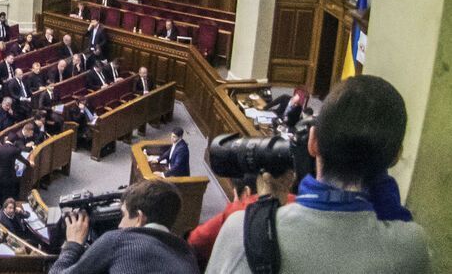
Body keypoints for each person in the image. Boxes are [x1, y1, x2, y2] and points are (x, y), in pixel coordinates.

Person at [206, 75, 430, 274]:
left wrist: (267, 212)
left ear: (313, 142)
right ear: (395, 156)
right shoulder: (410, 247)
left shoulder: (241, 233)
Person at [51, 179, 198, 274]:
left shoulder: (119, 240)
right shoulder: (188, 255)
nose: (120, 224)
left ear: (139, 218)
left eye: (123, 215)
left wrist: (73, 244)